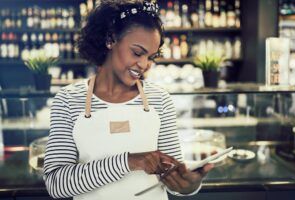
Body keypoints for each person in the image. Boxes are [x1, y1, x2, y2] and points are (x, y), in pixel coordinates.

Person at [43, 0, 213, 199]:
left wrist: (187, 186)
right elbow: (56, 184)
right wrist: (128, 162)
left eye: (151, 57)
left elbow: (172, 178)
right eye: (137, 52)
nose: (144, 64)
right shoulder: (68, 100)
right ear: (110, 40)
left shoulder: (160, 100)